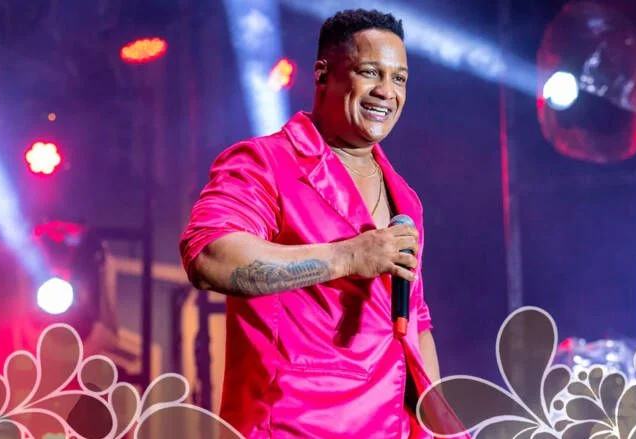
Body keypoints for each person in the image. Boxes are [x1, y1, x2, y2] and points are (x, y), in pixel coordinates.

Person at [180, 9, 442, 439]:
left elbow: (417, 322)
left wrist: (436, 428)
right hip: (293, 426)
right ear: (323, 75)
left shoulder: (405, 198)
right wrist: (348, 257)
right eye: (369, 72)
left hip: (388, 428)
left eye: (399, 78)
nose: (386, 91)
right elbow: (210, 257)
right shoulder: (265, 163)